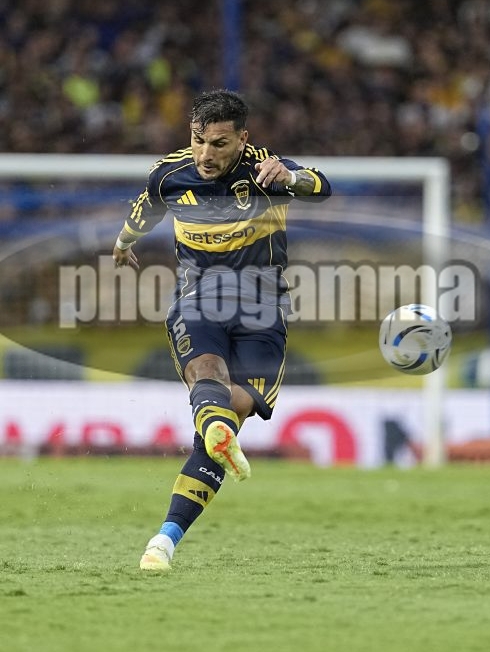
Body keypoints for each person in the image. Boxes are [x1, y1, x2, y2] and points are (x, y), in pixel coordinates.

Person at [112, 89, 332, 570]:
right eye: (198, 140)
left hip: (262, 311)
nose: (205, 154)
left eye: (219, 143)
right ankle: (165, 539)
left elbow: (321, 185)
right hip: (200, 298)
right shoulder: (170, 174)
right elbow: (146, 208)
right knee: (207, 374)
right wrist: (124, 243)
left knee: (222, 423)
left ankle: (166, 536)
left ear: (242, 139)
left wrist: (291, 176)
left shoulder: (266, 170)